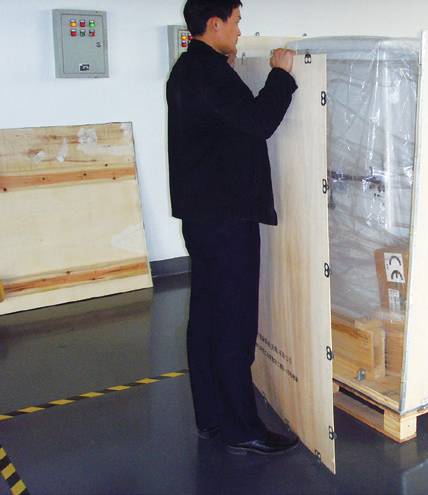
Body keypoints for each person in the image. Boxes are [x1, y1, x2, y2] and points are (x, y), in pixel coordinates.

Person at [166, 0, 299, 455]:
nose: (240, 31)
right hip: (227, 219)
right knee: (234, 326)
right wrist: (280, 74)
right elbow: (260, 122)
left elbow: (223, 124)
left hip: (201, 217)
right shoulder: (211, 74)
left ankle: (211, 418)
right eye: (237, 21)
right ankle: (243, 429)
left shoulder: (187, 69)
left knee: (206, 318)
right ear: (215, 22)